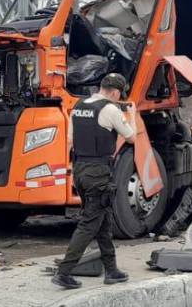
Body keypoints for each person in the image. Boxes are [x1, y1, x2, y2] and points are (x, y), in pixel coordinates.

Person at [52, 73, 136, 290]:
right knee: (89, 224)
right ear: (115, 92)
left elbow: (70, 140)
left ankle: (111, 270)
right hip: (98, 172)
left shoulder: (79, 106)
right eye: (120, 95)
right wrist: (132, 115)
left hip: (80, 170)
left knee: (103, 220)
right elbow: (131, 137)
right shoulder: (110, 109)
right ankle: (63, 272)